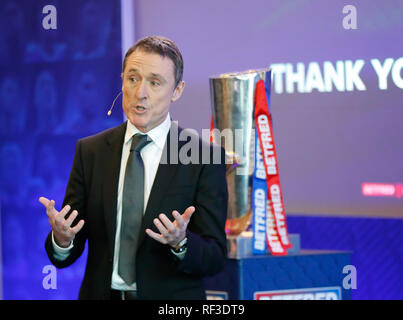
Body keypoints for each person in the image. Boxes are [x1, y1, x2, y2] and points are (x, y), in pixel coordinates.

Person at [39, 35, 228, 300]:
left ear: (177, 90)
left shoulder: (202, 158)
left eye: (154, 82)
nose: (140, 92)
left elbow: (215, 256)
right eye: (133, 78)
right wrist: (62, 239)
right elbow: (66, 251)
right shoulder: (90, 152)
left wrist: (181, 243)